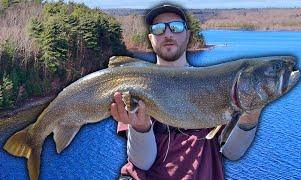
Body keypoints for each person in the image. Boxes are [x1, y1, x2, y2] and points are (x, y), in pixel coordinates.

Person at [110, 3, 261, 180]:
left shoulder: (211, 84)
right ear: (151, 38)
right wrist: (140, 128)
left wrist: (250, 117)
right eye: (159, 29)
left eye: (176, 27)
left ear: (188, 35)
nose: (167, 34)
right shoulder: (134, 84)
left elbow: (232, 153)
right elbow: (143, 163)